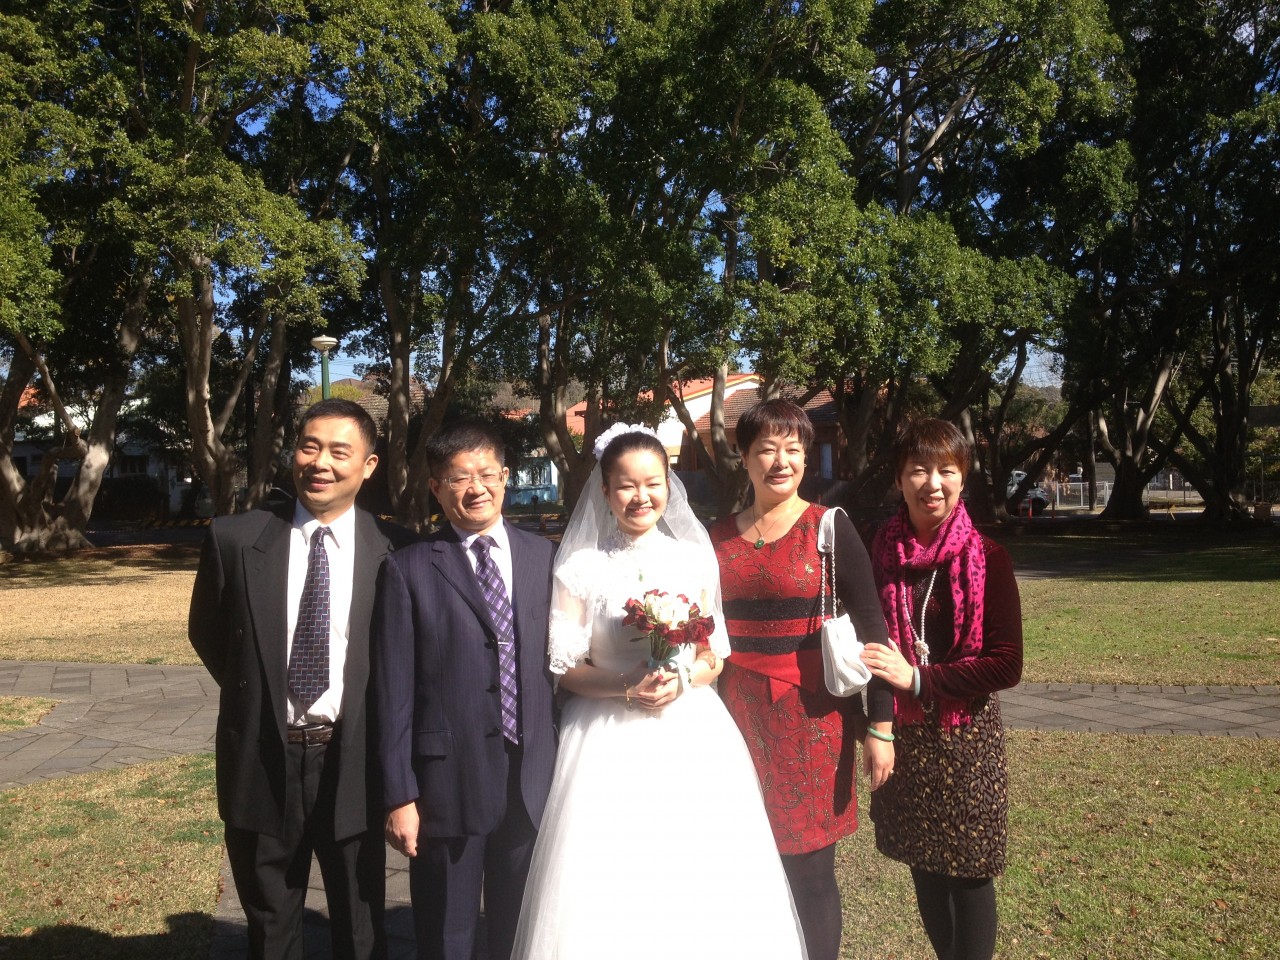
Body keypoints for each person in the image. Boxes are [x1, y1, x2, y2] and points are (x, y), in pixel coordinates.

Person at [511, 425, 807, 960]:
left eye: (653, 483)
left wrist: (681, 680)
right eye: (626, 485)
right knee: (609, 875)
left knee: (696, 869)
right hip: (604, 735)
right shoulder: (579, 568)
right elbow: (566, 668)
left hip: (689, 730)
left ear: (669, 487)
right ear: (604, 491)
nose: (641, 496)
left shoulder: (693, 558)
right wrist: (627, 685)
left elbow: (713, 656)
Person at [189, 398, 413, 960]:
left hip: (353, 759)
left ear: (369, 465)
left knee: (361, 924)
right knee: (270, 925)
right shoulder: (236, 539)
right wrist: (260, 695)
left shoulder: (399, 552)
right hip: (263, 757)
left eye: (340, 452)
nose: (320, 463)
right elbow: (209, 633)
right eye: (309, 446)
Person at [709, 398, 894, 960]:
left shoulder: (829, 527)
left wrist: (881, 724)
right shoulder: (715, 538)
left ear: (807, 457)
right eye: (765, 449)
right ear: (742, 456)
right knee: (746, 860)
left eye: (792, 449)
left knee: (811, 872)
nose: (780, 461)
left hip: (813, 723)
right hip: (733, 720)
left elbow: (873, 630)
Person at [372, 422, 557, 960]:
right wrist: (400, 795)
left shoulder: (542, 557)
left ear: (505, 477)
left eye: (486, 474)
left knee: (518, 924)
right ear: (436, 487)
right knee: (446, 931)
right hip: (445, 781)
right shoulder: (407, 568)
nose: (475, 488)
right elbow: (393, 691)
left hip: (530, 774)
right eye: (458, 478)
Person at [860, 418, 1023, 960]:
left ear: (964, 477)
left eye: (946, 470)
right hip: (905, 738)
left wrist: (919, 678)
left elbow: (1005, 665)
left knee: (971, 874)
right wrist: (879, 722)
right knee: (925, 866)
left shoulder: (989, 558)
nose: (933, 483)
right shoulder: (877, 553)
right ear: (899, 480)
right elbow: (863, 641)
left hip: (966, 738)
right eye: (918, 470)